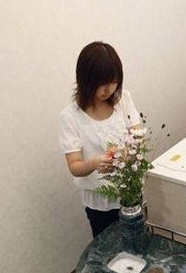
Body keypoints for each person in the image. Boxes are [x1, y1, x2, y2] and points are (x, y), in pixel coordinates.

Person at [58, 41, 140, 237]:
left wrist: (127, 153)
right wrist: (95, 163)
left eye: (113, 82)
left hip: (131, 191)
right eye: (101, 83)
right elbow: (74, 166)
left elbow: (137, 137)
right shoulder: (70, 116)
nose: (108, 90)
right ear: (86, 80)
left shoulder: (123, 100)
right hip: (99, 203)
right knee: (108, 249)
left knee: (138, 244)